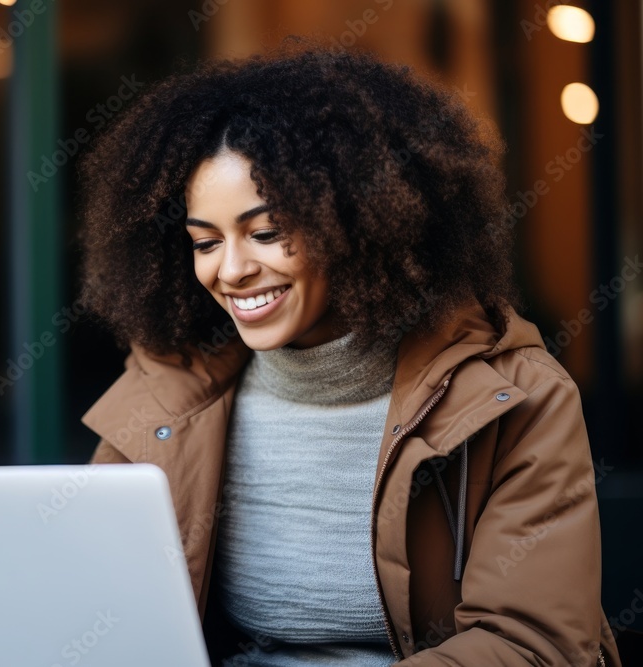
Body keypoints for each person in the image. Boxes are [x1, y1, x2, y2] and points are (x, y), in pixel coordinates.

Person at [74, 42, 621, 666]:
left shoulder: (516, 397)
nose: (231, 270)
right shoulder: (166, 389)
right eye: (204, 242)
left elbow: (533, 644)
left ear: (361, 226)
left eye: (267, 233)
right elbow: (93, 604)